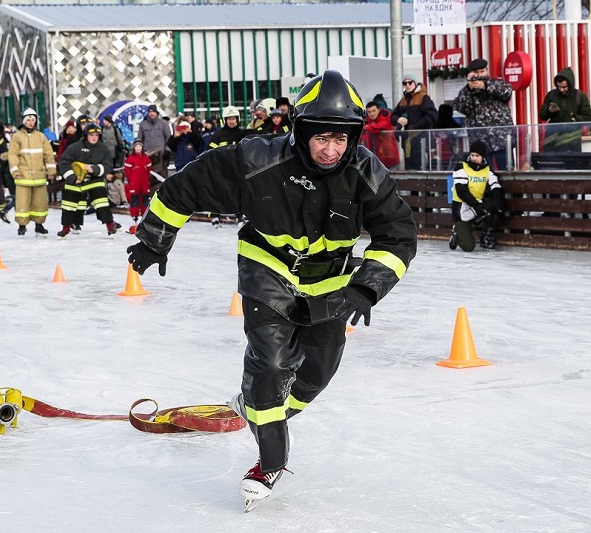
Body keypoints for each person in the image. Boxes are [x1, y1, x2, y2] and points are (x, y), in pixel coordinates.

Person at [125, 70, 417, 508]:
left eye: (341, 140)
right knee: (270, 365)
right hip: (268, 272)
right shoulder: (256, 160)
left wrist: (366, 288)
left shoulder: (364, 172)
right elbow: (187, 185)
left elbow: (398, 235)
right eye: (321, 138)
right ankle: (270, 460)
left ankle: (262, 410)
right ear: (299, 130)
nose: (330, 149)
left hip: (331, 284)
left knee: (316, 373)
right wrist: (153, 239)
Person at [452, 58, 514, 171]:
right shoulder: (466, 91)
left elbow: (507, 92)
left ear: (486, 70)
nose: (480, 75)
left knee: (507, 172)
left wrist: (485, 86)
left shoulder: (497, 83)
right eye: (476, 72)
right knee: (484, 175)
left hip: (501, 139)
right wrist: (469, 90)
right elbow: (461, 108)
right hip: (480, 142)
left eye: (482, 71)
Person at [57, 122, 117, 237]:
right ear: (86, 135)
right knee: (68, 204)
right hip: (76, 180)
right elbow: (64, 162)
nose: (94, 137)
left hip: (94, 180)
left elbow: (108, 165)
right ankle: (66, 228)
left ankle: (110, 225)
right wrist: (72, 178)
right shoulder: (75, 147)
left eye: (96, 135)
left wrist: (94, 169)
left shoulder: (103, 149)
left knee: (102, 202)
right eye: (91, 135)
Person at [8, 107, 56, 237]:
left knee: (40, 203)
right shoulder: (17, 137)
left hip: (39, 176)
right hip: (23, 176)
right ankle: (22, 225)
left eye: (33, 120)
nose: (30, 122)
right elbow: (12, 155)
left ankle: (39, 225)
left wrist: (51, 170)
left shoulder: (41, 137)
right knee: (22, 202)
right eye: (28, 120)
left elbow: (48, 155)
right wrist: (15, 171)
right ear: (24, 121)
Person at [448, 141, 504, 252]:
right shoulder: (461, 167)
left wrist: (497, 205)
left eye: (477, 156)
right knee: (469, 247)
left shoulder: (487, 170)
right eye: (472, 155)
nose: (474, 158)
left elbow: (496, 187)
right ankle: (457, 233)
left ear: (482, 156)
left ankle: (486, 236)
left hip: (477, 205)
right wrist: (476, 204)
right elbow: (461, 191)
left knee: (496, 207)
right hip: (462, 207)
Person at [539, 67, 591, 152]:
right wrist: (549, 110)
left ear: (570, 85)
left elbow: (588, 117)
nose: (561, 90)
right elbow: (542, 115)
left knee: (572, 163)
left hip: (572, 139)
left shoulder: (579, 96)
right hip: (552, 139)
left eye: (564, 87)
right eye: (559, 87)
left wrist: (575, 118)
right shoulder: (552, 95)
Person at [391, 73, 437, 170]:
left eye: (410, 82)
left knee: (420, 166)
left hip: (422, 139)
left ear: (415, 84)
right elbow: (393, 116)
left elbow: (432, 116)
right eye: (405, 83)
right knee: (409, 166)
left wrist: (416, 126)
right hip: (408, 139)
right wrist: (398, 120)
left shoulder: (423, 97)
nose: (407, 85)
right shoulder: (403, 100)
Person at [136, 104, 171, 186]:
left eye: (153, 112)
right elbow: (139, 138)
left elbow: (168, 137)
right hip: (148, 155)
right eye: (150, 112)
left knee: (162, 176)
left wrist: (167, 150)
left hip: (161, 155)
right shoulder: (143, 124)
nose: (152, 113)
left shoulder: (163, 123)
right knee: (148, 176)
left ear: (157, 113)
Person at [360, 100, 400, 169]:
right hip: (377, 158)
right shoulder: (367, 120)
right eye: (369, 112)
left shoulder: (386, 116)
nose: (372, 114)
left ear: (378, 109)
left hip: (389, 157)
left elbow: (383, 125)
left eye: (373, 111)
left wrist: (367, 127)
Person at [123, 140, 152, 227]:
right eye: (136, 146)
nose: (138, 148)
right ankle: (135, 216)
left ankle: (145, 216)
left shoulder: (146, 158)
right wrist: (131, 181)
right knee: (134, 200)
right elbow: (127, 172)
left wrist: (147, 179)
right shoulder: (130, 159)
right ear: (134, 148)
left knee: (145, 200)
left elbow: (149, 170)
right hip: (134, 183)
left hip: (144, 182)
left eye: (140, 146)